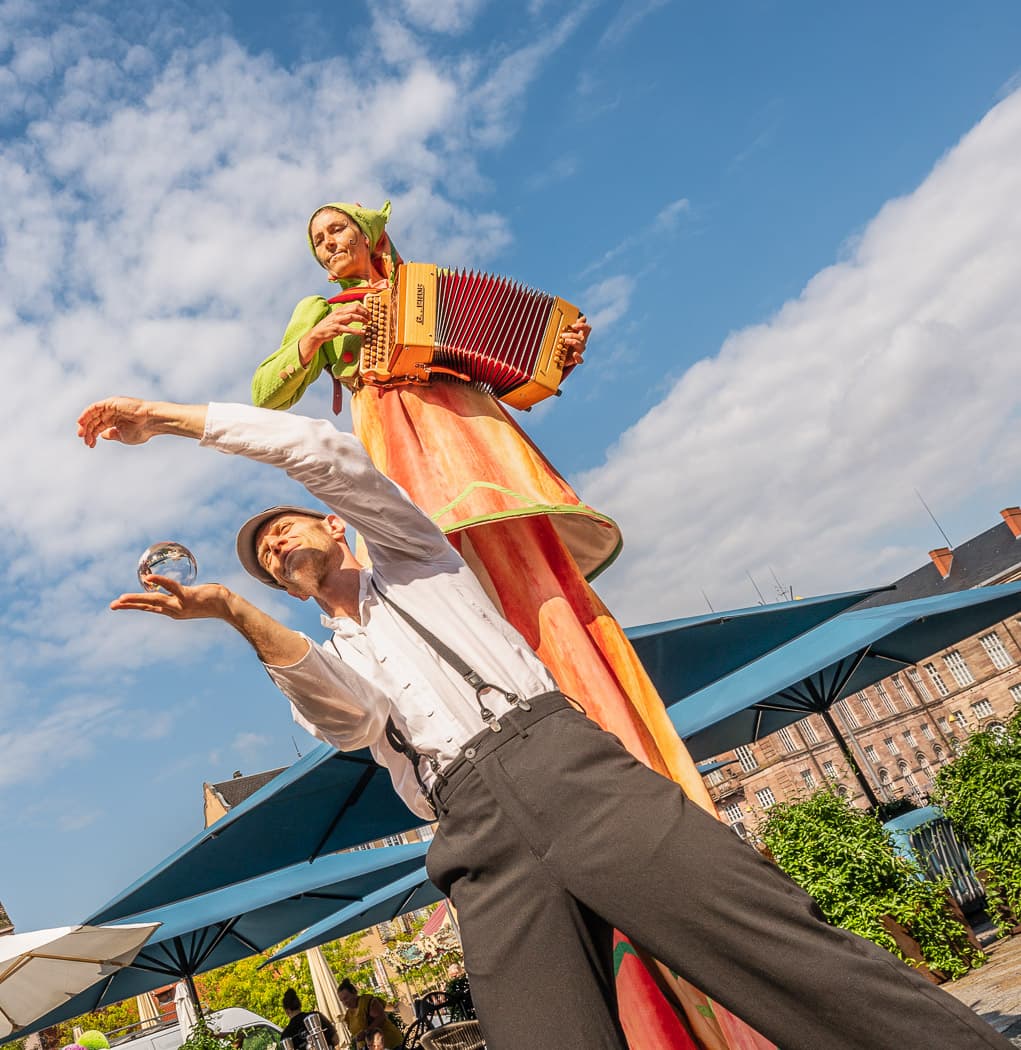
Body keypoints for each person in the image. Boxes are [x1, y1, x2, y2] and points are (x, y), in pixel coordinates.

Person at [77, 395, 1012, 1050]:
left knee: (775, 948)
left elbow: (323, 452)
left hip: (561, 765)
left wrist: (170, 419)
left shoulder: (412, 556)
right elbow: (350, 724)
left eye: (283, 528)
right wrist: (237, 614)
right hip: (469, 831)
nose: (274, 546)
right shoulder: (329, 652)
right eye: (262, 559)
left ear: (334, 526)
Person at [252, 201, 765, 1047]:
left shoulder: (422, 290)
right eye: (315, 240)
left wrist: (552, 352)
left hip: (465, 430)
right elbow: (267, 390)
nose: (325, 246)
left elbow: (511, 365)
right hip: (394, 438)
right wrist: (311, 345)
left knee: (525, 584)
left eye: (336, 231)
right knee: (431, 570)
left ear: (371, 236)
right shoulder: (321, 310)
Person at [336, 979, 401, 1050]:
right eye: (342, 1000)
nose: (345, 1002)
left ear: (354, 992)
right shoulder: (348, 1015)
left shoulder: (366, 1002)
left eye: (346, 998)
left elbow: (381, 1017)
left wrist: (366, 1032)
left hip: (388, 1043)